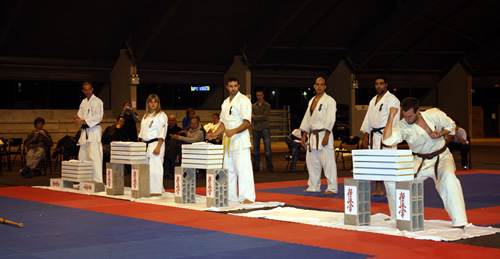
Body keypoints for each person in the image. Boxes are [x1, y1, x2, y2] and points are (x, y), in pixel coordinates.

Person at [382, 97, 468, 227]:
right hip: (419, 160)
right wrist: (391, 116)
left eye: (410, 116)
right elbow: (387, 141)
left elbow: (451, 126)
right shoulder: (402, 125)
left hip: (441, 157)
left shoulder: (433, 114)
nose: (407, 119)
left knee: (449, 178)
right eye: (404, 116)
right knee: (394, 179)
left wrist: (440, 134)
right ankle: (397, 215)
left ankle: (459, 221)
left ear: (418, 111)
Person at [206, 77, 255, 204]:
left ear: (238, 86)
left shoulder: (243, 100)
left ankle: (247, 196)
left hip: (239, 139)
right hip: (227, 140)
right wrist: (214, 134)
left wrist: (234, 131)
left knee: (243, 169)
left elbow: (247, 122)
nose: (233, 88)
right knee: (228, 169)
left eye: (235, 86)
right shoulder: (225, 102)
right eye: (230, 86)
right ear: (227, 87)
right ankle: (230, 196)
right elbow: (223, 123)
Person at [360, 76, 400, 198]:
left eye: (381, 83)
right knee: (377, 164)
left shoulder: (392, 99)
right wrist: (367, 133)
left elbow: (395, 119)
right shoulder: (373, 100)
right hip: (375, 135)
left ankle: (391, 191)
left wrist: (390, 136)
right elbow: (369, 118)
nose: (379, 86)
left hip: (386, 135)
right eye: (376, 83)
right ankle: (379, 189)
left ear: (386, 84)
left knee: (388, 164)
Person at [300, 77, 338, 195]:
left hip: (323, 134)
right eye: (317, 84)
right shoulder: (312, 100)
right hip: (312, 136)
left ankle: (332, 187)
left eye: (322, 84)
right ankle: (313, 186)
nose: (319, 86)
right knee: (312, 163)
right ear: (314, 86)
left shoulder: (330, 100)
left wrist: (327, 134)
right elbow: (307, 118)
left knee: (328, 162)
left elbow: (331, 119)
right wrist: (304, 134)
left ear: (325, 87)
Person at [139, 94, 168, 197]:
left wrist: (159, 146)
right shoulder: (145, 116)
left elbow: (162, 131)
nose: (153, 104)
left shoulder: (161, 115)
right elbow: (142, 133)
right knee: (147, 168)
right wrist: (141, 146)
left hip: (156, 143)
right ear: (148, 103)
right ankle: (152, 188)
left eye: (155, 102)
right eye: (151, 102)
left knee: (156, 168)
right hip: (146, 144)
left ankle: (156, 191)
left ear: (158, 104)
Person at [74, 81, 104, 183]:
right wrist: (77, 119)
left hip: (94, 130)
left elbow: (98, 117)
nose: (87, 92)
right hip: (85, 132)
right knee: (82, 156)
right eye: (85, 90)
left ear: (92, 89)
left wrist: (82, 121)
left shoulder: (97, 101)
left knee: (94, 156)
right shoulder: (83, 102)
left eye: (89, 89)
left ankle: (97, 181)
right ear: (83, 90)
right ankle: (84, 180)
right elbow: (79, 114)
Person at [252, 90, 274, 172]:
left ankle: (270, 166)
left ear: (263, 95)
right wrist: (257, 117)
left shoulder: (267, 105)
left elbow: (265, 117)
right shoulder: (253, 106)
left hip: (265, 129)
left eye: (260, 95)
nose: (259, 97)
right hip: (256, 129)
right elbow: (252, 116)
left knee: (268, 150)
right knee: (255, 150)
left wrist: (255, 117)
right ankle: (256, 167)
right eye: (258, 95)